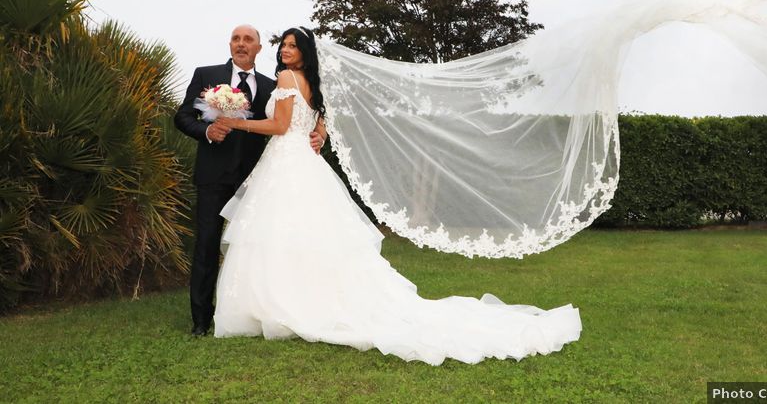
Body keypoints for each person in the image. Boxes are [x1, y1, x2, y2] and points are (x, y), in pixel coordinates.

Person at [212, 27, 581, 364]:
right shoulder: (315, 84)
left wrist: (235, 122)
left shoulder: (287, 77)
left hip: (287, 163)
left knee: (280, 233)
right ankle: (299, 299)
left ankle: (279, 304)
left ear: (305, 52)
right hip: (303, 164)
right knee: (307, 235)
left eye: (294, 45)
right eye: (285, 45)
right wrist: (318, 136)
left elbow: (279, 125)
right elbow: (316, 126)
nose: (288, 50)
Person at [174, 24, 325, 337]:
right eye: (235, 39)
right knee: (206, 246)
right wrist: (207, 130)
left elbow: (300, 115)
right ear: (230, 44)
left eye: (248, 40)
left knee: (259, 245)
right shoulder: (206, 74)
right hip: (214, 176)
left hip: (258, 178)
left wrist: (319, 135)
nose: (241, 44)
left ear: (258, 48)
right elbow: (183, 116)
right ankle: (201, 321)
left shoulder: (276, 82)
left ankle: (257, 309)